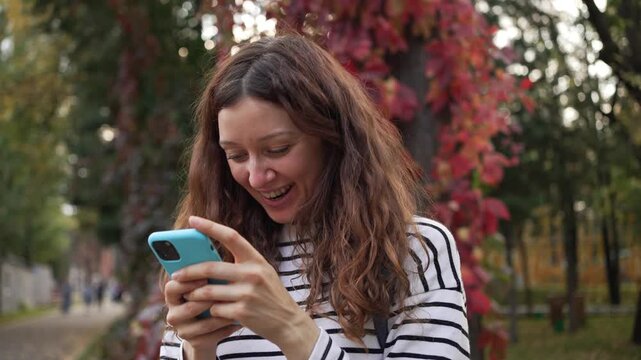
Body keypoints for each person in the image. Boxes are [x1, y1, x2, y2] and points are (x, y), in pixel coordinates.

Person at [160, 33, 469, 360]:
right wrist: (198, 349)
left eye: (277, 149)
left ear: (331, 138)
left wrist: (290, 328)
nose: (255, 175)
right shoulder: (215, 262)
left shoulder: (411, 252)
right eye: (236, 155)